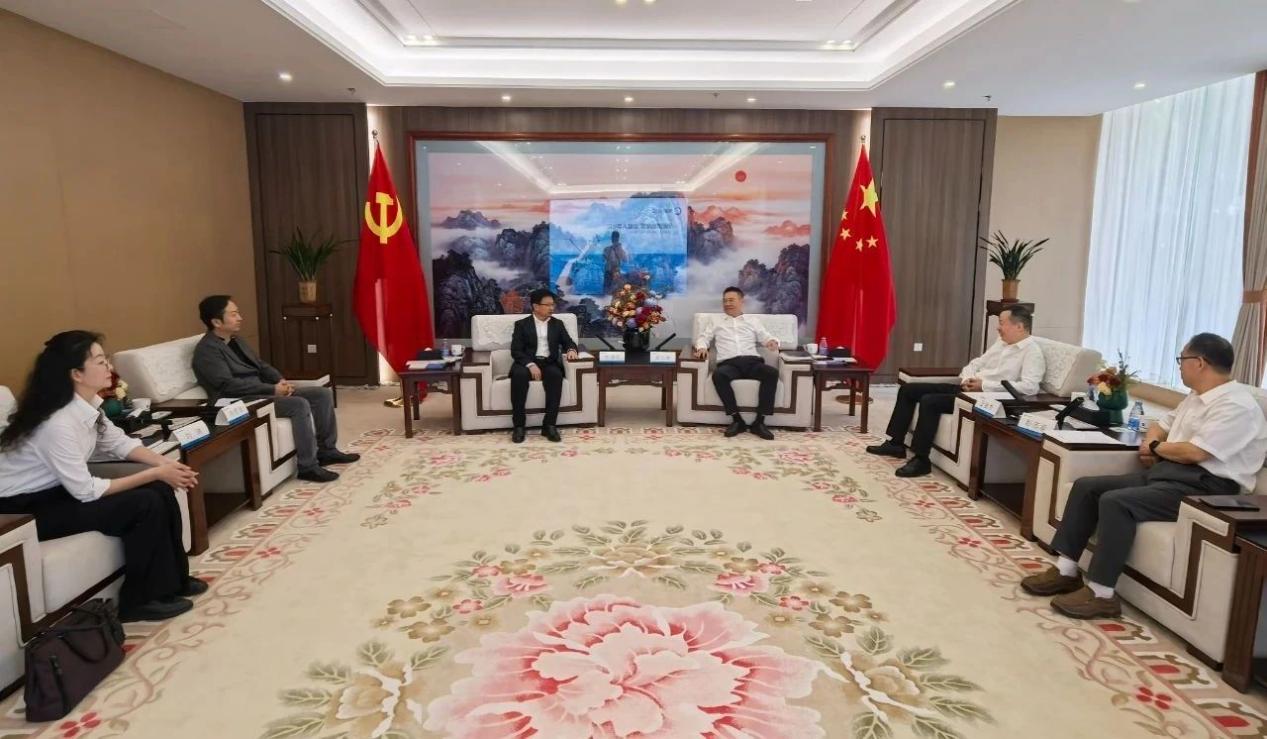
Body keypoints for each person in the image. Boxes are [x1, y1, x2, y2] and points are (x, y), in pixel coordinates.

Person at [1021, 333, 1266, 619]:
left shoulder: (1236, 406)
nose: (1179, 365)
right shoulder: (1196, 397)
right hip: (1170, 474)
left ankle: (1102, 594)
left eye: (1182, 359)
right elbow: (1159, 426)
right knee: (1087, 487)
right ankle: (1066, 571)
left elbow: (1195, 453)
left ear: (1200, 363)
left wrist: (1156, 447)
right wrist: (1151, 443)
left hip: (1207, 489)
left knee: (1116, 502)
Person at [0, 331, 207, 622]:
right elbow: (86, 491)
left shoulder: (87, 406)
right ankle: (138, 601)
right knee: (144, 503)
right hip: (22, 511)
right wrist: (155, 472)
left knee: (160, 487)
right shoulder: (57, 423)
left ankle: (173, 581)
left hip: (58, 493)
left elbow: (119, 443)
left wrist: (166, 466)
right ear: (76, 374)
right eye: (100, 361)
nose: (109, 366)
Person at [192, 296, 358, 483]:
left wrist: (280, 381)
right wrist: (272, 389)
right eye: (234, 314)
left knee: (322, 394)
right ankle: (308, 467)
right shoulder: (207, 351)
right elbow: (228, 386)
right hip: (239, 401)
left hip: (261, 391)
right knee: (298, 404)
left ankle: (327, 451)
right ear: (216, 322)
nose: (240, 318)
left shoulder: (235, 340)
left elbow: (261, 365)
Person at [866, 305, 1044, 477]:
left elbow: (1030, 387)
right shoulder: (1001, 343)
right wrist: (967, 379)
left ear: (1019, 326)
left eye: (1002, 323)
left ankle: (921, 460)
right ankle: (896, 444)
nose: (998, 328)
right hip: (967, 388)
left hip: (984, 398)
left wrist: (984, 385)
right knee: (908, 390)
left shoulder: (1032, 352)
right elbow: (976, 364)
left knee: (930, 401)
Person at [693, 287, 781, 440]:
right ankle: (737, 420)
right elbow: (704, 338)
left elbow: (766, 337)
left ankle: (759, 422)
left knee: (771, 373)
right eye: (725, 301)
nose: (727, 303)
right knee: (718, 375)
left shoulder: (753, 321)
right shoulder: (716, 321)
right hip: (729, 364)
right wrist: (701, 348)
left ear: (741, 301)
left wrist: (772, 342)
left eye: (731, 300)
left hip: (752, 362)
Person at [510, 288, 579, 444]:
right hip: (526, 362)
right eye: (547, 305)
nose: (551, 308)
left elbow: (569, 342)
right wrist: (530, 364)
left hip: (549, 362)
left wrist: (571, 350)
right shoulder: (521, 325)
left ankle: (549, 425)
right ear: (535, 306)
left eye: (552, 304)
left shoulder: (557, 324)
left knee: (555, 376)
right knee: (519, 376)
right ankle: (519, 426)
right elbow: (516, 350)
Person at [602, 231, 628, 295]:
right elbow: (604, 257)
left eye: (615, 237)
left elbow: (625, 259)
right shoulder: (608, 249)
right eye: (613, 237)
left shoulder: (617, 248)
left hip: (614, 272)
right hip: (610, 271)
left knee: (613, 290)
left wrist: (618, 248)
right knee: (608, 290)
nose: (614, 239)